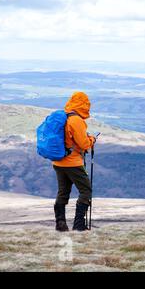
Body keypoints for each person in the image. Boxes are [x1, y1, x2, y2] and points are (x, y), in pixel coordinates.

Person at [53, 92, 96, 232]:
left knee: (63, 192)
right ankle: (79, 225)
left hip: (58, 162)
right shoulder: (76, 120)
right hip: (73, 162)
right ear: (83, 104)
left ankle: (60, 224)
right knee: (86, 191)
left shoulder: (64, 116)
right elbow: (83, 144)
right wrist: (92, 140)